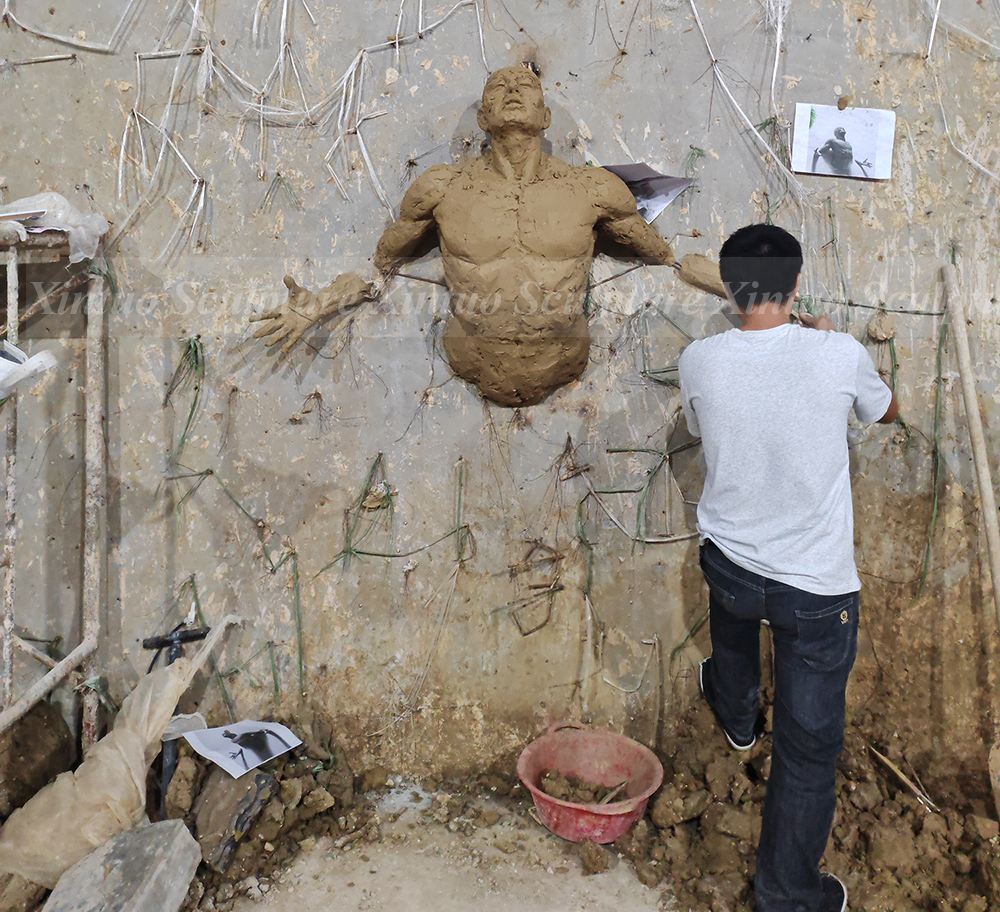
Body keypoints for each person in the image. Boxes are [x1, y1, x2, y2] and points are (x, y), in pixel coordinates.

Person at [251, 65, 724, 407]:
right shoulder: (442, 187)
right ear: (482, 118)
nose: (512, 88)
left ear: (546, 118)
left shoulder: (591, 187)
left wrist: (758, 294)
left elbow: (670, 260)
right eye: (498, 86)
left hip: (563, 361)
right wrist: (321, 304)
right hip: (471, 360)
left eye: (526, 86)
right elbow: (379, 272)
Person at [677, 224, 898, 912]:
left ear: (728, 287)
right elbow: (887, 411)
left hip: (734, 569)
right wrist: (833, 342)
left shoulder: (699, 359)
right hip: (816, 590)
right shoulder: (838, 352)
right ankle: (785, 892)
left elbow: (695, 426)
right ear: (796, 286)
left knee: (734, 634)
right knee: (806, 753)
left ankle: (738, 716)